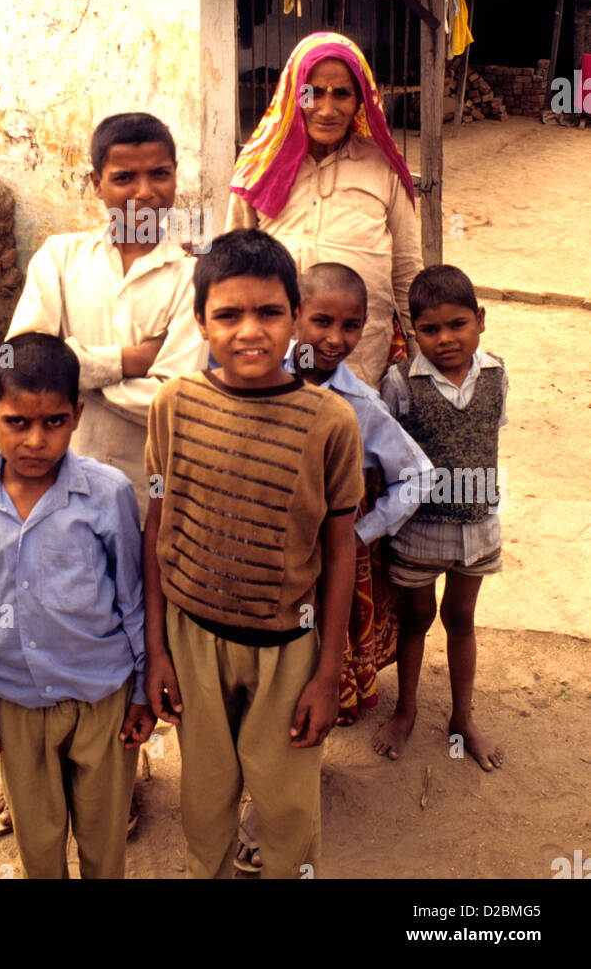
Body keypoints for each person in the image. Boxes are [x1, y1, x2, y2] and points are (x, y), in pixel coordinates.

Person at [144, 229, 364, 879]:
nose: (250, 331)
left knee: (288, 807)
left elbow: (340, 546)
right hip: (192, 642)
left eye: (269, 312)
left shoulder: (331, 423)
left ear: (294, 316)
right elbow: (157, 526)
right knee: (204, 800)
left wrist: (328, 674)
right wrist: (157, 649)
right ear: (200, 323)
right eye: (228, 315)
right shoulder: (175, 406)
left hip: (287, 652)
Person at [235, 261, 433, 873]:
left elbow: (418, 475)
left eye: (352, 326)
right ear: (293, 312)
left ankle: (268, 814)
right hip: (244, 567)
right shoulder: (250, 377)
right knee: (243, 682)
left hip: (311, 579)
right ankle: (244, 789)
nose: (335, 338)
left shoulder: (358, 403)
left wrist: (360, 533)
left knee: (295, 684)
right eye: (321, 320)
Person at [0, 333, 153, 879]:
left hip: (102, 697)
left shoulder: (108, 495)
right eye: (18, 422)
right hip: (18, 700)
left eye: (54, 422)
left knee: (104, 837)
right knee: (37, 842)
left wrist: (141, 689)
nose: (36, 441)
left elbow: (133, 599)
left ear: (77, 415)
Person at [6, 110, 207, 525]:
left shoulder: (196, 276)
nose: (145, 192)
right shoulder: (59, 258)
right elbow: (23, 367)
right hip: (59, 483)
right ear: (96, 183)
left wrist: (74, 378)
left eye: (159, 174)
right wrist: (132, 361)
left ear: (175, 175)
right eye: (123, 179)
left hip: (150, 494)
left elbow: (173, 402)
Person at [226, 32, 422, 388]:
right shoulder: (259, 166)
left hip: (361, 354)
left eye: (342, 94)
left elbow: (407, 267)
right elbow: (233, 264)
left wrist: (418, 348)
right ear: (293, 93)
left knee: (355, 434)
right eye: (312, 92)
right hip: (275, 353)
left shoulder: (384, 167)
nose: (327, 109)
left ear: (360, 99)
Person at [373, 264, 507, 771]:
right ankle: (406, 711)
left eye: (457, 325)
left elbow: (490, 435)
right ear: (413, 331)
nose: (445, 338)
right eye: (429, 329)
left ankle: (462, 717)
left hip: (478, 526)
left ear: (480, 319)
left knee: (462, 618)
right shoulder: (400, 383)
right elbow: (388, 452)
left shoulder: (496, 374)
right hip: (419, 530)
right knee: (418, 617)